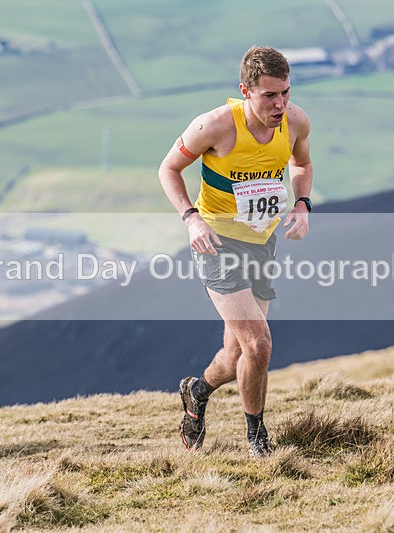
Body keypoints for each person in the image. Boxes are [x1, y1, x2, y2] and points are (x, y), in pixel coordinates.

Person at [158, 46, 313, 456]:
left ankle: (197, 390)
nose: (280, 104)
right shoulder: (214, 125)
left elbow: (301, 164)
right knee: (259, 345)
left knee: (236, 353)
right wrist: (191, 218)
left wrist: (301, 203)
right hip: (216, 243)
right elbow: (168, 169)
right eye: (269, 96)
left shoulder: (295, 121)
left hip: (261, 240)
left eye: (285, 93)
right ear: (245, 90)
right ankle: (257, 436)